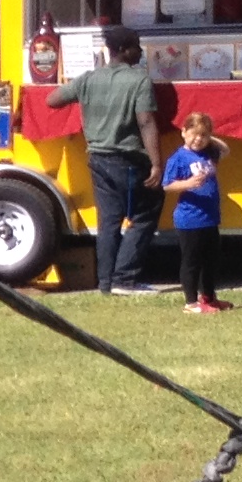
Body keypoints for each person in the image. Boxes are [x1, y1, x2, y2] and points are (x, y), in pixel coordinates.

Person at [48, 22, 163, 294]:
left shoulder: (89, 78)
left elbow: (52, 100)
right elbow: (146, 122)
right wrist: (157, 163)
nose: (140, 51)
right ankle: (125, 279)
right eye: (136, 46)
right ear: (123, 49)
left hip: (98, 159)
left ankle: (106, 283)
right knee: (145, 214)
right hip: (128, 160)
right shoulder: (139, 80)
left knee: (108, 221)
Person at [164, 112, 227, 314]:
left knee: (211, 261)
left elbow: (225, 149)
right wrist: (188, 183)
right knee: (192, 261)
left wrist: (209, 137)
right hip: (190, 219)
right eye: (193, 134)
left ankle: (208, 298)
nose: (198, 139)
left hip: (210, 217)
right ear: (183, 132)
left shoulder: (208, 153)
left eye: (203, 136)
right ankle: (191, 303)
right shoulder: (178, 158)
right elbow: (167, 185)